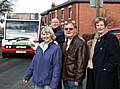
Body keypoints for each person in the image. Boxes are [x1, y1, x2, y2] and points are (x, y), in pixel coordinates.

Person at [86, 17, 120, 89]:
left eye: (101, 25)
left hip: (105, 75)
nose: (99, 27)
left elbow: (115, 57)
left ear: (105, 26)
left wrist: (105, 69)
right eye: (97, 25)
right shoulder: (96, 38)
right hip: (94, 71)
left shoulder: (111, 38)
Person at [62, 22, 88, 89]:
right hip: (65, 77)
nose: (68, 30)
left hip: (74, 79)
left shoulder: (80, 43)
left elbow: (81, 63)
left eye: (71, 29)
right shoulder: (65, 43)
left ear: (75, 30)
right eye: (66, 29)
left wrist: (78, 79)